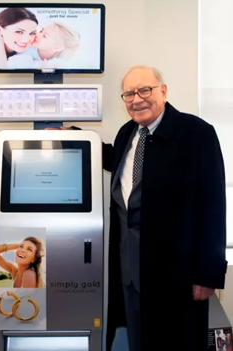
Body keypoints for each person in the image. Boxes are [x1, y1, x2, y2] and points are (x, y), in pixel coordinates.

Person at [46, 65, 227, 351]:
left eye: (145, 90)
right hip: (130, 272)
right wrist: (77, 137)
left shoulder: (197, 134)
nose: (136, 99)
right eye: (129, 93)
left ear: (163, 91)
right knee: (139, 342)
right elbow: (118, 162)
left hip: (175, 276)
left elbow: (215, 206)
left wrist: (208, 273)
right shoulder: (127, 132)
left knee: (177, 343)